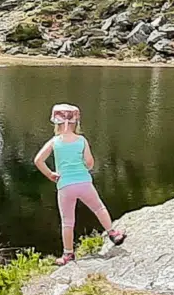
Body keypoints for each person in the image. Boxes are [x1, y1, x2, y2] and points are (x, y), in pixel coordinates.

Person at [33, 103, 125, 264]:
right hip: (84, 183)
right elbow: (90, 163)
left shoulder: (55, 142)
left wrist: (51, 175)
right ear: (76, 122)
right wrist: (85, 166)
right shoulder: (81, 140)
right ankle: (112, 233)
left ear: (56, 123)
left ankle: (68, 254)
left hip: (65, 186)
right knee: (99, 208)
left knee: (67, 221)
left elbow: (38, 160)